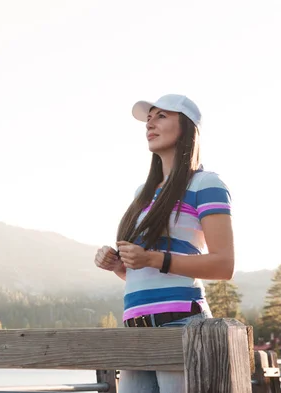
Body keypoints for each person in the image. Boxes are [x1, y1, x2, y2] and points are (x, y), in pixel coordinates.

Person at [94, 94, 235, 393]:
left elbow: (224, 264)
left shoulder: (205, 184)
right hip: (135, 330)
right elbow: (143, 271)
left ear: (186, 127)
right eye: (148, 118)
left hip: (181, 326)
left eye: (161, 116)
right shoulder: (141, 194)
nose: (150, 124)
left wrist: (153, 258)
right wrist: (121, 265)